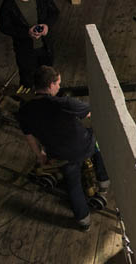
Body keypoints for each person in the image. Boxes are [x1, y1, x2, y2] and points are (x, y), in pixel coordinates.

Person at [16, 65, 109, 229]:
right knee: (98, 140)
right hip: (84, 146)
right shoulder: (64, 103)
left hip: (59, 155)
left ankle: (84, 221)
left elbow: (29, 137)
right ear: (51, 85)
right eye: (58, 84)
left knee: (73, 184)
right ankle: (103, 182)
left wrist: (40, 156)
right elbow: (90, 113)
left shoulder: (24, 111)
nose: (59, 87)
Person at [0, 0, 60, 89]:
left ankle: (47, 98)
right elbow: (4, 27)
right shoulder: (9, 4)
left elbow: (54, 12)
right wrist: (26, 33)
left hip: (45, 46)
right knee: (27, 80)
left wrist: (47, 25)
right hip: (25, 50)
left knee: (48, 78)